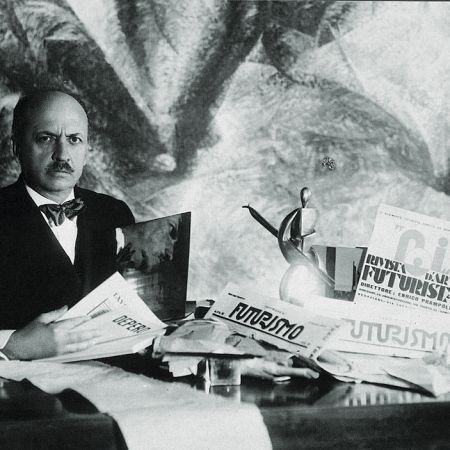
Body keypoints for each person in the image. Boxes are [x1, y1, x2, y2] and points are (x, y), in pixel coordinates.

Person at [0, 90, 135, 360]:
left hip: (115, 384)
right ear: (17, 148)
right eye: (46, 138)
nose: (62, 154)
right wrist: (12, 345)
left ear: (86, 152)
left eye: (74, 140)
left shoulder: (114, 213)